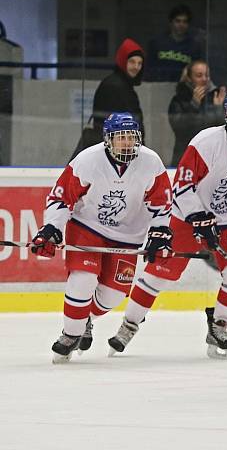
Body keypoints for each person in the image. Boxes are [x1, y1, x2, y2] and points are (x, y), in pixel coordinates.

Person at [107, 89, 227, 360]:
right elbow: (183, 186)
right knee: (158, 274)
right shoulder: (206, 142)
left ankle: (219, 326)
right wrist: (198, 216)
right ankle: (129, 325)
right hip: (186, 215)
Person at [31, 113, 172, 363]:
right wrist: (52, 228)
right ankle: (70, 334)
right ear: (108, 139)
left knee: (112, 296)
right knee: (83, 279)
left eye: (131, 137)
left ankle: (85, 320)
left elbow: (161, 202)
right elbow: (61, 197)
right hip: (88, 227)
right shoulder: (88, 160)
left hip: (128, 235)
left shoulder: (151, 162)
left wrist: (160, 231)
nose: (127, 142)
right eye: (121, 137)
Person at [70, 38, 145, 160]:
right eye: (132, 62)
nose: (136, 67)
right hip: (112, 151)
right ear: (123, 61)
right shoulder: (116, 86)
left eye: (139, 63)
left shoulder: (121, 84)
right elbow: (127, 121)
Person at [168, 59, 226, 166]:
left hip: (210, 159)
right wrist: (193, 106)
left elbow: (222, 131)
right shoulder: (179, 99)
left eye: (206, 75)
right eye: (199, 75)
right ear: (189, 78)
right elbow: (179, 128)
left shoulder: (214, 97)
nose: (204, 79)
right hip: (185, 156)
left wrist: (218, 108)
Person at [145, 4, 203, 82]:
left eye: (184, 22)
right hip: (157, 87)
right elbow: (148, 69)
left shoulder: (194, 47)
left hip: (183, 89)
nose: (181, 25)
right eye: (178, 21)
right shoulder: (156, 43)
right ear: (171, 23)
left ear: (188, 25)